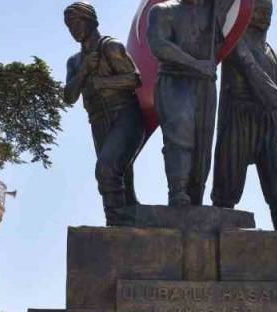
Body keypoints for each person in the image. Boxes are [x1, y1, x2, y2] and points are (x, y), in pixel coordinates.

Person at [210, 0, 277, 230]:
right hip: (239, 117)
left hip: (271, 121)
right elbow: (250, 68)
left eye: (269, 10)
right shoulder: (233, 42)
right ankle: (219, 237)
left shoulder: (275, 56)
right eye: (260, 8)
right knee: (227, 187)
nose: (265, 14)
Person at [61, 2, 145, 222]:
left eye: (77, 22)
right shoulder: (75, 62)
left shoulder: (110, 46)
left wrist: (102, 83)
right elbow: (68, 96)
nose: (73, 29)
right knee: (121, 181)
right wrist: (84, 71)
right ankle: (126, 224)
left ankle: (114, 222)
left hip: (125, 115)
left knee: (106, 169)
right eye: (69, 26)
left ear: (90, 20)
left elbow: (135, 79)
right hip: (98, 120)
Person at [147, 0, 235, 206]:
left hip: (205, 84)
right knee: (180, 133)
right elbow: (159, 45)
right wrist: (195, 64)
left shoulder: (214, 10)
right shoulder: (162, 11)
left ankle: (195, 199)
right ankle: (177, 192)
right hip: (175, 80)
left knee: (202, 146)